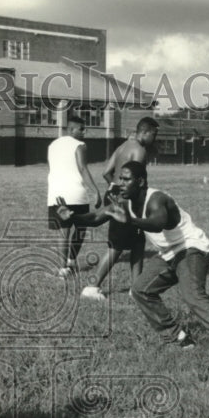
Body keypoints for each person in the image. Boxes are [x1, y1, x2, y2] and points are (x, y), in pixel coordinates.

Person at [57, 161, 209, 376]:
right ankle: (178, 337)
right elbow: (96, 217)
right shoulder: (124, 202)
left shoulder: (157, 199)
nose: (121, 183)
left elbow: (157, 222)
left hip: (191, 248)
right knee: (140, 290)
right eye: (120, 179)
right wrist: (72, 216)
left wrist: (131, 220)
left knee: (192, 295)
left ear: (141, 181)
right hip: (169, 253)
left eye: (126, 179)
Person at [79, 117, 158, 301]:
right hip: (126, 200)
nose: (154, 139)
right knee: (117, 245)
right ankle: (92, 287)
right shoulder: (140, 151)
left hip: (114, 194)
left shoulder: (123, 146)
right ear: (144, 132)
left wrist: (115, 188)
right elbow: (138, 182)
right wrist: (135, 200)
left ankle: (136, 289)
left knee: (138, 242)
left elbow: (106, 172)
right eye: (153, 135)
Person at [46, 114, 101, 277]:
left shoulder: (52, 145)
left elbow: (52, 168)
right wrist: (95, 191)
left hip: (55, 194)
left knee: (64, 230)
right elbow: (83, 168)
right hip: (76, 193)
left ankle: (63, 268)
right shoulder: (79, 145)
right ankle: (70, 260)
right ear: (71, 129)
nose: (84, 132)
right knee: (81, 228)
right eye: (81, 129)